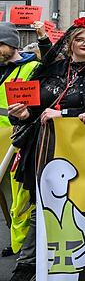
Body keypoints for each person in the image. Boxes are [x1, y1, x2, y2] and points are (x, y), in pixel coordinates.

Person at [8, 17, 85, 281]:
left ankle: (78, 262)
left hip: (82, 150)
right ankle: (27, 266)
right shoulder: (53, 68)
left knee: (78, 204)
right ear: (69, 42)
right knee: (42, 205)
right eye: (80, 39)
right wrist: (21, 114)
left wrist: (65, 114)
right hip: (43, 147)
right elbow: (31, 109)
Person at [0, 23, 38, 258]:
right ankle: (17, 243)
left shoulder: (32, 68)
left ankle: (22, 246)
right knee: (5, 195)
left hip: (16, 139)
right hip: (1, 139)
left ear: (10, 45)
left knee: (19, 196)